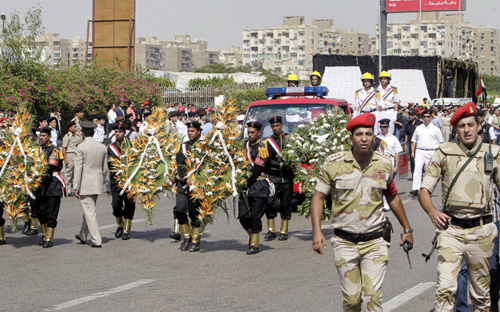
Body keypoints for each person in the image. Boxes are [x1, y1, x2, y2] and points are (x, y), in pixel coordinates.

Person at [311, 113, 414, 312]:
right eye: (359, 134)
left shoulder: (383, 164)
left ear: (374, 138)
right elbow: (318, 197)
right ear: (351, 138)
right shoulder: (334, 164)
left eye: (368, 134)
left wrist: (407, 228)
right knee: (351, 301)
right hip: (344, 242)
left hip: (374, 241)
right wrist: (317, 232)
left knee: (372, 298)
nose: (364, 138)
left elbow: (392, 195)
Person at [419, 102, 499, 311]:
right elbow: (424, 190)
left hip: (481, 231)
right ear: (455, 129)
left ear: (478, 125)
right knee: (445, 288)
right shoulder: (444, 153)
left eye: (470, 125)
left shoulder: (493, 153)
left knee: (481, 295)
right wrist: (432, 211)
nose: (467, 130)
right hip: (451, 230)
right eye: (462, 126)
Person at [73, 121, 108, 248]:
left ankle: (96, 240)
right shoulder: (102, 147)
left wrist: (75, 186)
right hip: (97, 181)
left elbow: (78, 168)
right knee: (89, 210)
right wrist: (102, 180)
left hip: (86, 183)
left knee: (89, 212)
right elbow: (105, 169)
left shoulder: (80, 148)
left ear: (83, 133)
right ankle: (82, 234)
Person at [238, 121, 271, 254]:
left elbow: (257, 169)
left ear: (259, 133)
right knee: (243, 216)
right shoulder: (243, 146)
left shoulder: (262, 147)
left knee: (255, 217)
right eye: (248, 132)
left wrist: (246, 181)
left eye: (253, 132)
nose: (250, 135)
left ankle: (254, 245)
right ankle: (252, 235)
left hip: (258, 186)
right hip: (244, 186)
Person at [174, 121, 204, 252]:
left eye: (192, 131)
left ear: (198, 132)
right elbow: (179, 165)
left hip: (198, 186)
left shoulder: (205, 147)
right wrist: (185, 178)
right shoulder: (182, 147)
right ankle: (186, 236)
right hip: (184, 184)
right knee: (180, 209)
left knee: (195, 213)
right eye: (189, 131)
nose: (190, 133)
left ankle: (195, 240)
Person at [263, 116, 294, 241]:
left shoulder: (290, 139)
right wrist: (281, 165)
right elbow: (267, 160)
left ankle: (284, 230)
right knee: (270, 203)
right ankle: (271, 230)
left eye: (277, 126)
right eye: (273, 126)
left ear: (282, 126)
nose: (275, 128)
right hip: (274, 177)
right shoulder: (267, 142)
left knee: (286, 204)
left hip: (286, 178)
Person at [37, 127, 65, 248]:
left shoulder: (55, 150)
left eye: (44, 136)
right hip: (39, 186)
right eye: (41, 136)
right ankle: (44, 233)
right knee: (39, 211)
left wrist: (39, 180)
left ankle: (49, 238)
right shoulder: (38, 150)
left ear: (49, 137)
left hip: (52, 184)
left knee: (51, 212)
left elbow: (50, 169)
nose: (41, 138)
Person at [108, 121, 136, 240]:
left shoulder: (132, 146)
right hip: (116, 180)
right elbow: (110, 164)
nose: (118, 134)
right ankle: (120, 224)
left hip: (130, 181)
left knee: (130, 204)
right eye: (116, 132)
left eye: (120, 132)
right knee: (116, 204)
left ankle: (126, 229)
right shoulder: (111, 148)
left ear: (125, 133)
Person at [410, 110, 443, 196]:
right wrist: (413, 151)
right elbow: (413, 140)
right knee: (417, 169)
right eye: (424, 117)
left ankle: (426, 188)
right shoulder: (419, 128)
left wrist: (439, 154)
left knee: (428, 171)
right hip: (420, 151)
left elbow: (440, 142)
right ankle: (415, 188)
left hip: (431, 151)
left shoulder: (435, 129)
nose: (426, 118)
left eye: (428, 116)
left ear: (431, 118)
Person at [377, 119, 403, 211]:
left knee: (389, 183)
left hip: (389, 160)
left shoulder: (393, 138)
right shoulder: (377, 138)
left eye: (384, 127)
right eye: (381, 127)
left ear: (388, 127)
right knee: (381, 182)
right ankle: (383, 203)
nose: (382, 129)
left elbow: (397, 153)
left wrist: (396, 166)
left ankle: (389, 202)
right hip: (380, 160)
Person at [377, 71, 399, 136]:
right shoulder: (377, 90)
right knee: (380, 131)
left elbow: (396, 103)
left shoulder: (393, 89)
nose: (383, 80)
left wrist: (395, 114)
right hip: (381, 111)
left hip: (390, 111)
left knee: (390, 132)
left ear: (388, 80)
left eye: (385, 79)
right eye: (382, 79)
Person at [402, 110, 422, 178]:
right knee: (412, 159)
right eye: (409, 115)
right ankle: (414, 174)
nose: (410, 116)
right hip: (411, 143)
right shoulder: (408, 124)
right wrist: (405, 144)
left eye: (411, 115)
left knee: (419, 159)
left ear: (415, 116)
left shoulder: (420, 123)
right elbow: (406, 134)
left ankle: (420, 174)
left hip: (419, 143)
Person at [62, 121, 79, 197]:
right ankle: (67, 189)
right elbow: (64, 148)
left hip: (75, 154)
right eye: (74, 127)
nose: (75, 128)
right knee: (68, 173)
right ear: (70, 128)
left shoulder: (75, 136)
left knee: (74, 173)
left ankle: (73, 189)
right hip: (69, 155)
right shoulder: (67, 137)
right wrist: (65, 158)